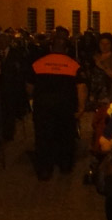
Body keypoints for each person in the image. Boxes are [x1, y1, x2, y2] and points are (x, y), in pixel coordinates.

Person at [27, 35, 87, 180]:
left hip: (43, 107)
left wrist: (33, 100)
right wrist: (81, 108)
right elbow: (81, 87)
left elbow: (29, 86)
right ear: (66, 49)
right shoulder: (73, 64)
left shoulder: (38, 63)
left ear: (50, 48)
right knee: (66, 137)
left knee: (43, 138)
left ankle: (44, 170)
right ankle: (65, 166)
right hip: (66, 107)